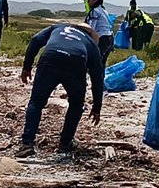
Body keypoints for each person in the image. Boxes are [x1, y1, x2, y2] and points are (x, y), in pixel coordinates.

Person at [16, 24, 103, 158]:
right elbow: (97, 76)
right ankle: (64, 144)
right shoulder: (91, 43)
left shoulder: (58, 27)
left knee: (36, 102)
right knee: (76, 105)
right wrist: (97, 107)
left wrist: (27, 67)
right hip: (75, 62)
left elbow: (35, 40)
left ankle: (27, 144)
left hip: (50, 58)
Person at [83, 0, 115, 66]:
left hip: (101, 38)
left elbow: (91, 29)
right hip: (109, 38)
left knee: (96, 63)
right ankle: (101, 77)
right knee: (102, 64)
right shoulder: (104, 11)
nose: (88, 2)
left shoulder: (94, 11)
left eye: (89, 0)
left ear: (95, 0)